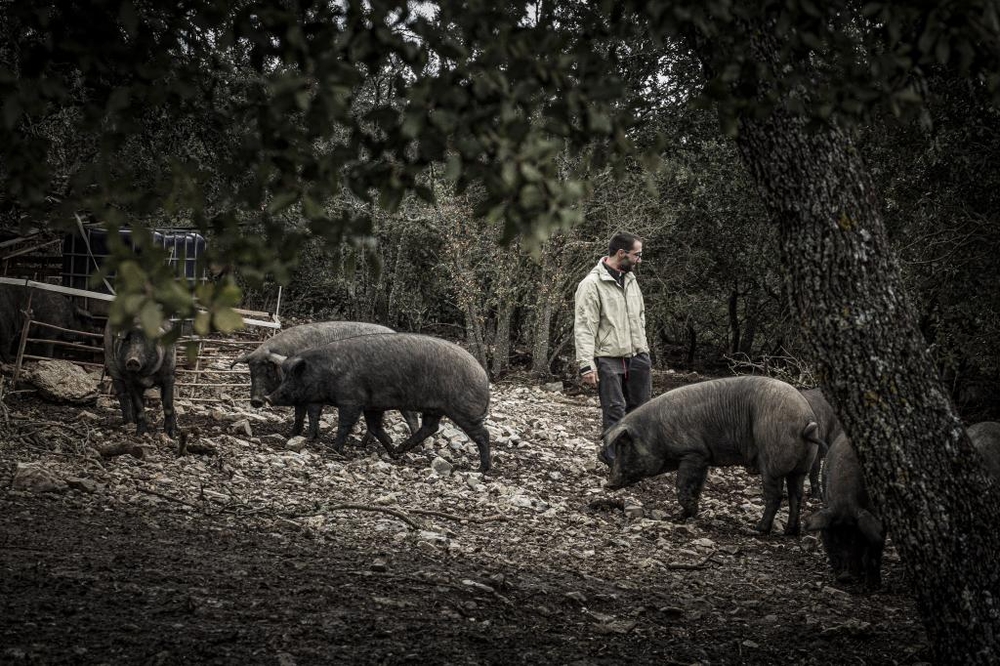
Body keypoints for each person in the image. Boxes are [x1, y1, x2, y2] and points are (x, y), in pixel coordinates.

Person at [574, 231, 652, 463]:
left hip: (637, 356)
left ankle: (635, 456)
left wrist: (644, 349)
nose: (640, 260)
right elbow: (584, 326)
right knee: (615, 410)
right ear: (621, 253)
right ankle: (613, 459)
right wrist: (586, 365)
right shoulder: (591, 284)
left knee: (641, 410)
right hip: (608, 358)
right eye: (637, 255)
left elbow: (639, 317)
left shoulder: (631, 279)